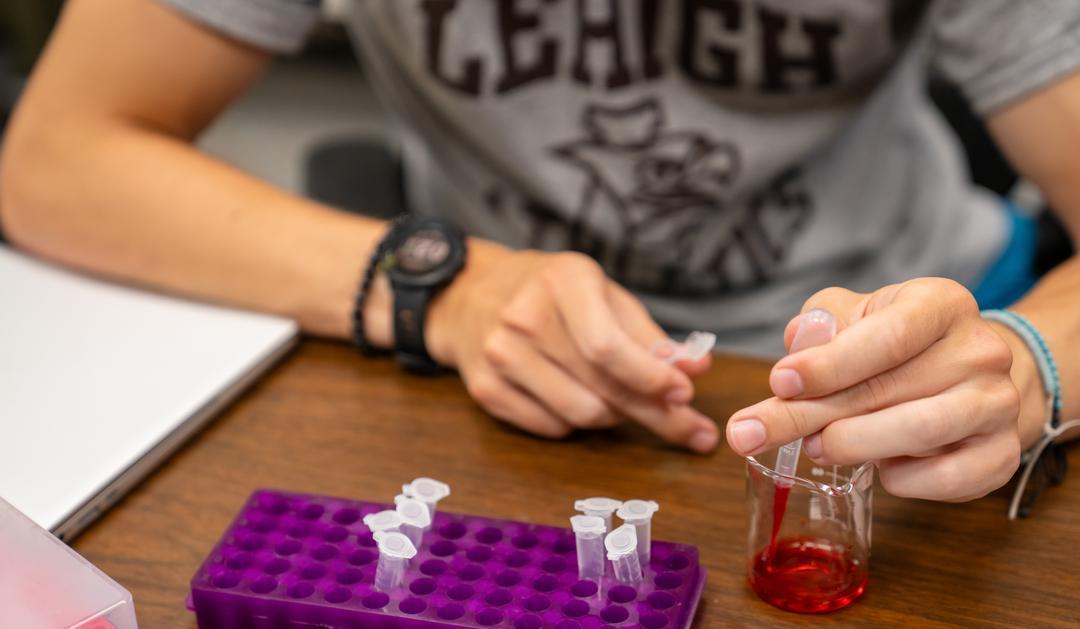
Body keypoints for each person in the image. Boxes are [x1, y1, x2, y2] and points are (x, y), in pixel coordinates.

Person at [1, 0, 1077, 506]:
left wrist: (1032, 356)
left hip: (917, 357)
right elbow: (55, 158)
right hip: (496, 379)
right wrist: (449, 285)